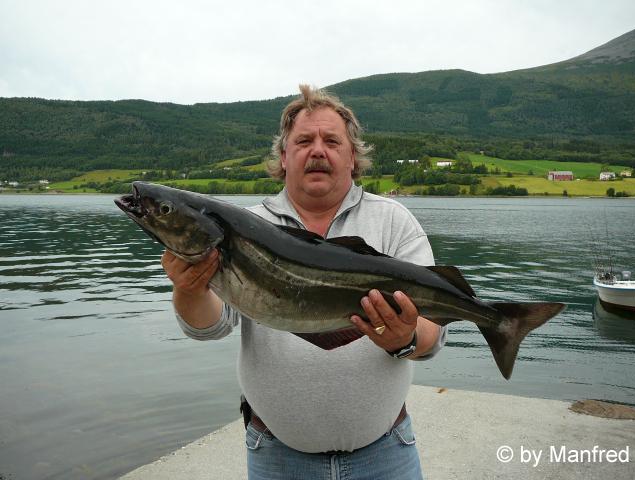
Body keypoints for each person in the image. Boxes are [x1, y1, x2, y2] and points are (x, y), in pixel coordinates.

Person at [161, 85, 447, 480]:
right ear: (283, 156)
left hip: (386, 456)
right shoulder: (244, 227)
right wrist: (188, 289)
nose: (318, 151)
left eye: (332, 141)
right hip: (277, 460)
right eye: (304, 141)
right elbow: (210, 326)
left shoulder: (394, 222)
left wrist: (406, 339)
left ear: (353, 156)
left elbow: (434, 332)